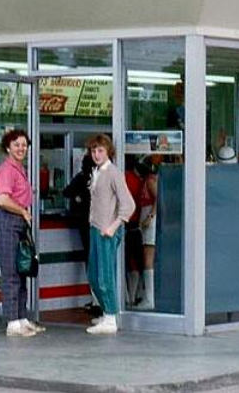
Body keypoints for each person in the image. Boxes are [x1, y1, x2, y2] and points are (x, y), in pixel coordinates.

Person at [0, 129, 43, 337]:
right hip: (7, 223)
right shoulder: (7, 170)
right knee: (11, 273)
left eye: (24, 145)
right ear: (7, 148)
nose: (21, 148)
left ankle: (22, 318)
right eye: (16, 145)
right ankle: (12, 322)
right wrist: (22, 210)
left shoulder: (19, 169)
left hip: (19, 224)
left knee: (22, 271)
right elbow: (3, 200)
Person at [86, 134, 135, 335]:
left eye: (100, 151)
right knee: (93, 274)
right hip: (96, 227)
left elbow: (129, 204)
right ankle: (107, 312)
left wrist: (114, 226)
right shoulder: (97, 171)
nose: (96, 154)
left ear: (108, 152)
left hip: (106, 230)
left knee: (105, 274)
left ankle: (111, 317)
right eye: (93, 151)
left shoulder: (113, 172)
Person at [63, 152, 100, 316]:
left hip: (85, 224)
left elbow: (66, 192)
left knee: (90, 261)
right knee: (102, 262)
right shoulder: (100, 177)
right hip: (101, 224)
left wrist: (78, 197)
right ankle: (100, 300)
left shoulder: (81, 178)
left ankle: (95, 299)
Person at [123, 156, 158, 310]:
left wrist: (151, 216)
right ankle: (144, 296)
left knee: (147, 259)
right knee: (142, 259)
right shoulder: (145, 180)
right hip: (142, 221)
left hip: (148, 221)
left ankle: (149, 298)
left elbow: (158, 199)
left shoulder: (150, 180)